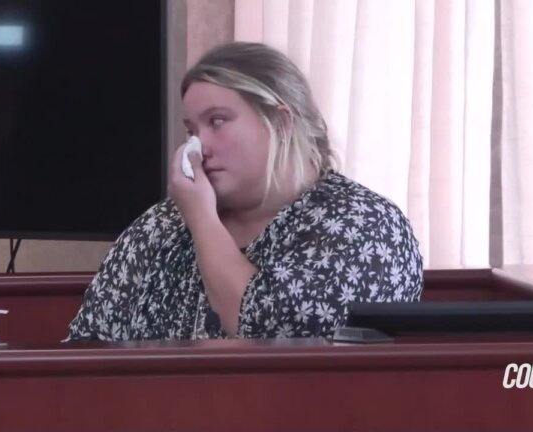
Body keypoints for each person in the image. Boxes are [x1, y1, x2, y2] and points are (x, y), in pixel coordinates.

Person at [66, 42, 423, 341]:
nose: (198, 146)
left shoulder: (363, 225)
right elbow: (86, 348)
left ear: (281, 123)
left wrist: (202, 219)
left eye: (217, 121)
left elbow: (262, 332)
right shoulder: (161, 225)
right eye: (192, 128)